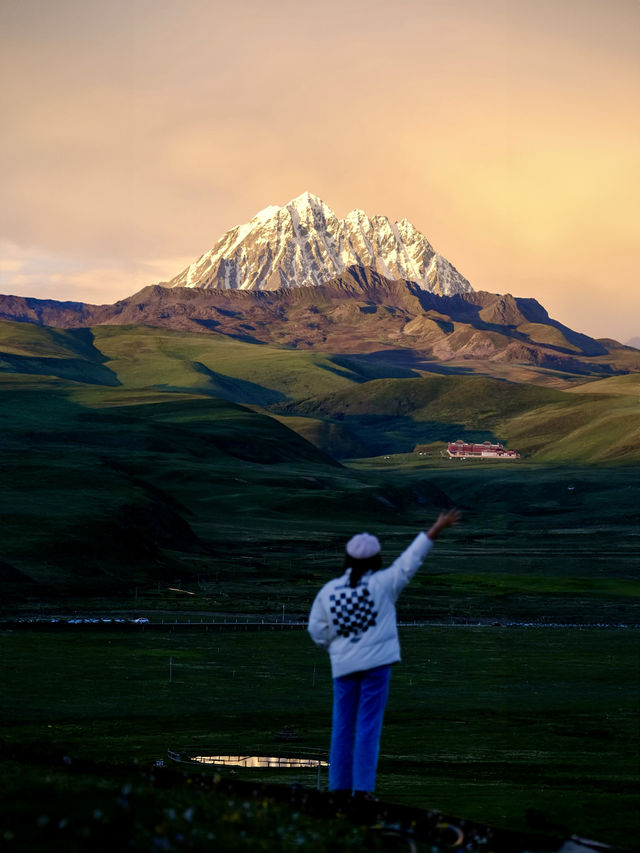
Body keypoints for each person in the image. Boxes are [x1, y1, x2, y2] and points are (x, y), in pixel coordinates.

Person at [307, 509, 461, 798]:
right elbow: (409, 562)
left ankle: (338, 788)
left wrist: (338, 647)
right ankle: (363, 791)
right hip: (377, 666)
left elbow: (316, 629)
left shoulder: (329, 591)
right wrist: (435, 529)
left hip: (344, 665)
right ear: (376, 560)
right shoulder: (384, 583)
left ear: (347, 559)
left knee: (342, 726)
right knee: (368, 726)